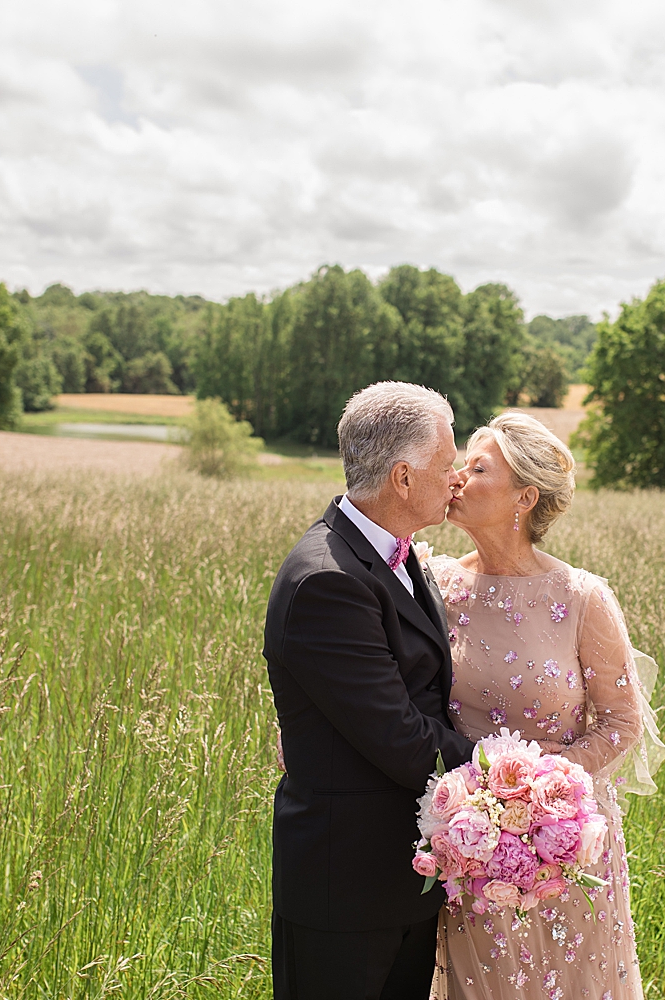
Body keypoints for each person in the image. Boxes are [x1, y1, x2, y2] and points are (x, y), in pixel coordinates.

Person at [427, 411, 661, 1000]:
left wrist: (546, 789)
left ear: (524, 497)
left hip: (565, 851)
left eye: (479, 468)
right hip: (471, 847)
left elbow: (622, 720)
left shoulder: (581, 596)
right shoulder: (435, 586)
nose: (457, 476)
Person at [264, 382, 477, 1000]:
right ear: (404, 478)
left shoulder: (396, 555)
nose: (457, 477)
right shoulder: (327, 581)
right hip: (345, 893)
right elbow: (400, 736)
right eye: (447, 463)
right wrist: (520, 772)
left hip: (403, 878)